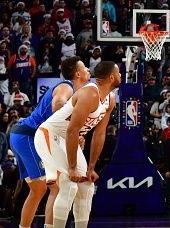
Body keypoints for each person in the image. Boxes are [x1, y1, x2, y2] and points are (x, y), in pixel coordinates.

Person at [34, 61, 120, 228]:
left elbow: (99, 133)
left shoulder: (111, 99)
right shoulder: (90, 94)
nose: (120, 76)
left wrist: (91, 167)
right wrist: (72, 166)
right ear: (111, 77)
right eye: (118, 73)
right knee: (68, 185)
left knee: (86, 187)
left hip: (67, 139)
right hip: (49, 135)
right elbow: (72, 130)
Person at [10, 56, 90, 228]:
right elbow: (58, 103)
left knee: (38, 190)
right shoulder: (66, 86)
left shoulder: (74, 92)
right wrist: (73, 129)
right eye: (85, 68)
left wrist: (75, 135)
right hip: (29, 137)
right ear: (77, 73)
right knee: (55, 188)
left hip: (22, 135)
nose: (88, 70)